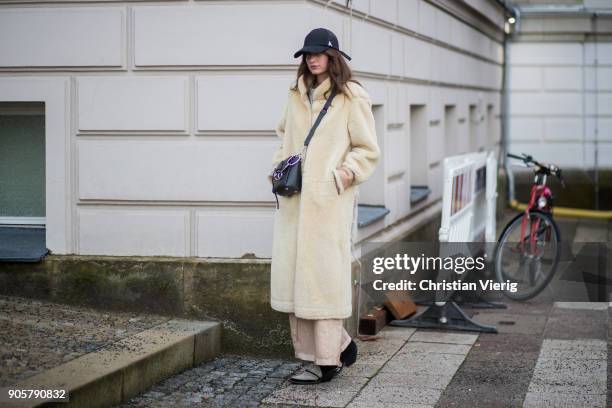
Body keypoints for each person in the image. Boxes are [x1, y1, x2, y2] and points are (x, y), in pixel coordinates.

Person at [267, 27, 381, 384]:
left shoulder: (352, 96)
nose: (312, 59)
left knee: (323, 281)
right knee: (296, 280)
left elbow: (367, 149)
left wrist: (343, 176)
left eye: (319, 53)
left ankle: (329, 361)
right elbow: (282, 136)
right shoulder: (295, 94)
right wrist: (276, 170)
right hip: (294, 202)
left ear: (334, 57)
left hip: (328, 203)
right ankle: (323, 352)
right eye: (307, 54)